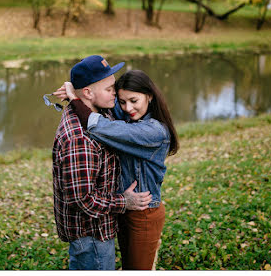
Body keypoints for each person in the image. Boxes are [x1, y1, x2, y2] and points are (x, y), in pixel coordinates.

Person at [55, 69, 179, 270]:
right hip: (124, 209)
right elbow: (102, 101)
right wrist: (77, 91)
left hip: (143, 212)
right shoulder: (131, 115)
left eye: (134, 100)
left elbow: (100, 126)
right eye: (122, 101)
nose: (127, 108)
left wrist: (73, 98)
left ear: (149, 96)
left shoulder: (154, 131)